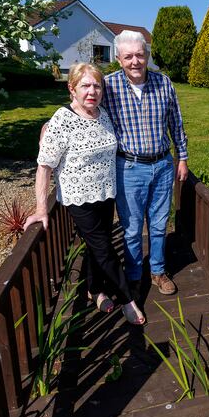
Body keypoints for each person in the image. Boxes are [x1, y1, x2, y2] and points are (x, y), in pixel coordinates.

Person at [24, 62, 145, 325]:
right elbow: (44, 167)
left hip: (105, 193)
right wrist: (41, 209)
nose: (92, 91)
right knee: (104, 249)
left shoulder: (102, 114)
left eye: (97, 85)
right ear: (72, 89)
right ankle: (128, 299)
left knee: (94, 248)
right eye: (85, 86)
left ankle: (95, 290)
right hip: (79, 199)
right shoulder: (63, 120)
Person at [102, 30, 189, 296]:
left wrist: (182, 157)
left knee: (159, 224)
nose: (135, 61)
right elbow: (84, 108)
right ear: (118, 58)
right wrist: (53, 124)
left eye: (140, 55)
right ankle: (134, 275)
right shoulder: (107, 85)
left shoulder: (164, 83)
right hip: (128, 168)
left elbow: (176, 122)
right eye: (128, 56)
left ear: (147, 56)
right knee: (131, 227)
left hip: (162, 166)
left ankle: (158, 271)